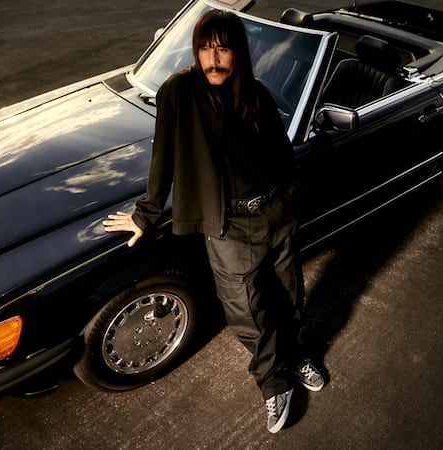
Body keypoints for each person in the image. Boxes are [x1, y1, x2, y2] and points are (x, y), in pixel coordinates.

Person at [103, 9, 325, 433]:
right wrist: (146, 215)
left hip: (276, 213)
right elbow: (163, 156)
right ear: (196, 51)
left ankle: (295, 357)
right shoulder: (179, 92)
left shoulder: (256, 93)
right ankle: (274, 381)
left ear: (237, 52)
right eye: (206, 48)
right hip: (229, 227)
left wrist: (290, 197)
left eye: (223, 48)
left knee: (288, 296)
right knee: (246, 311)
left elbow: (281, 155)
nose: (214, 59)